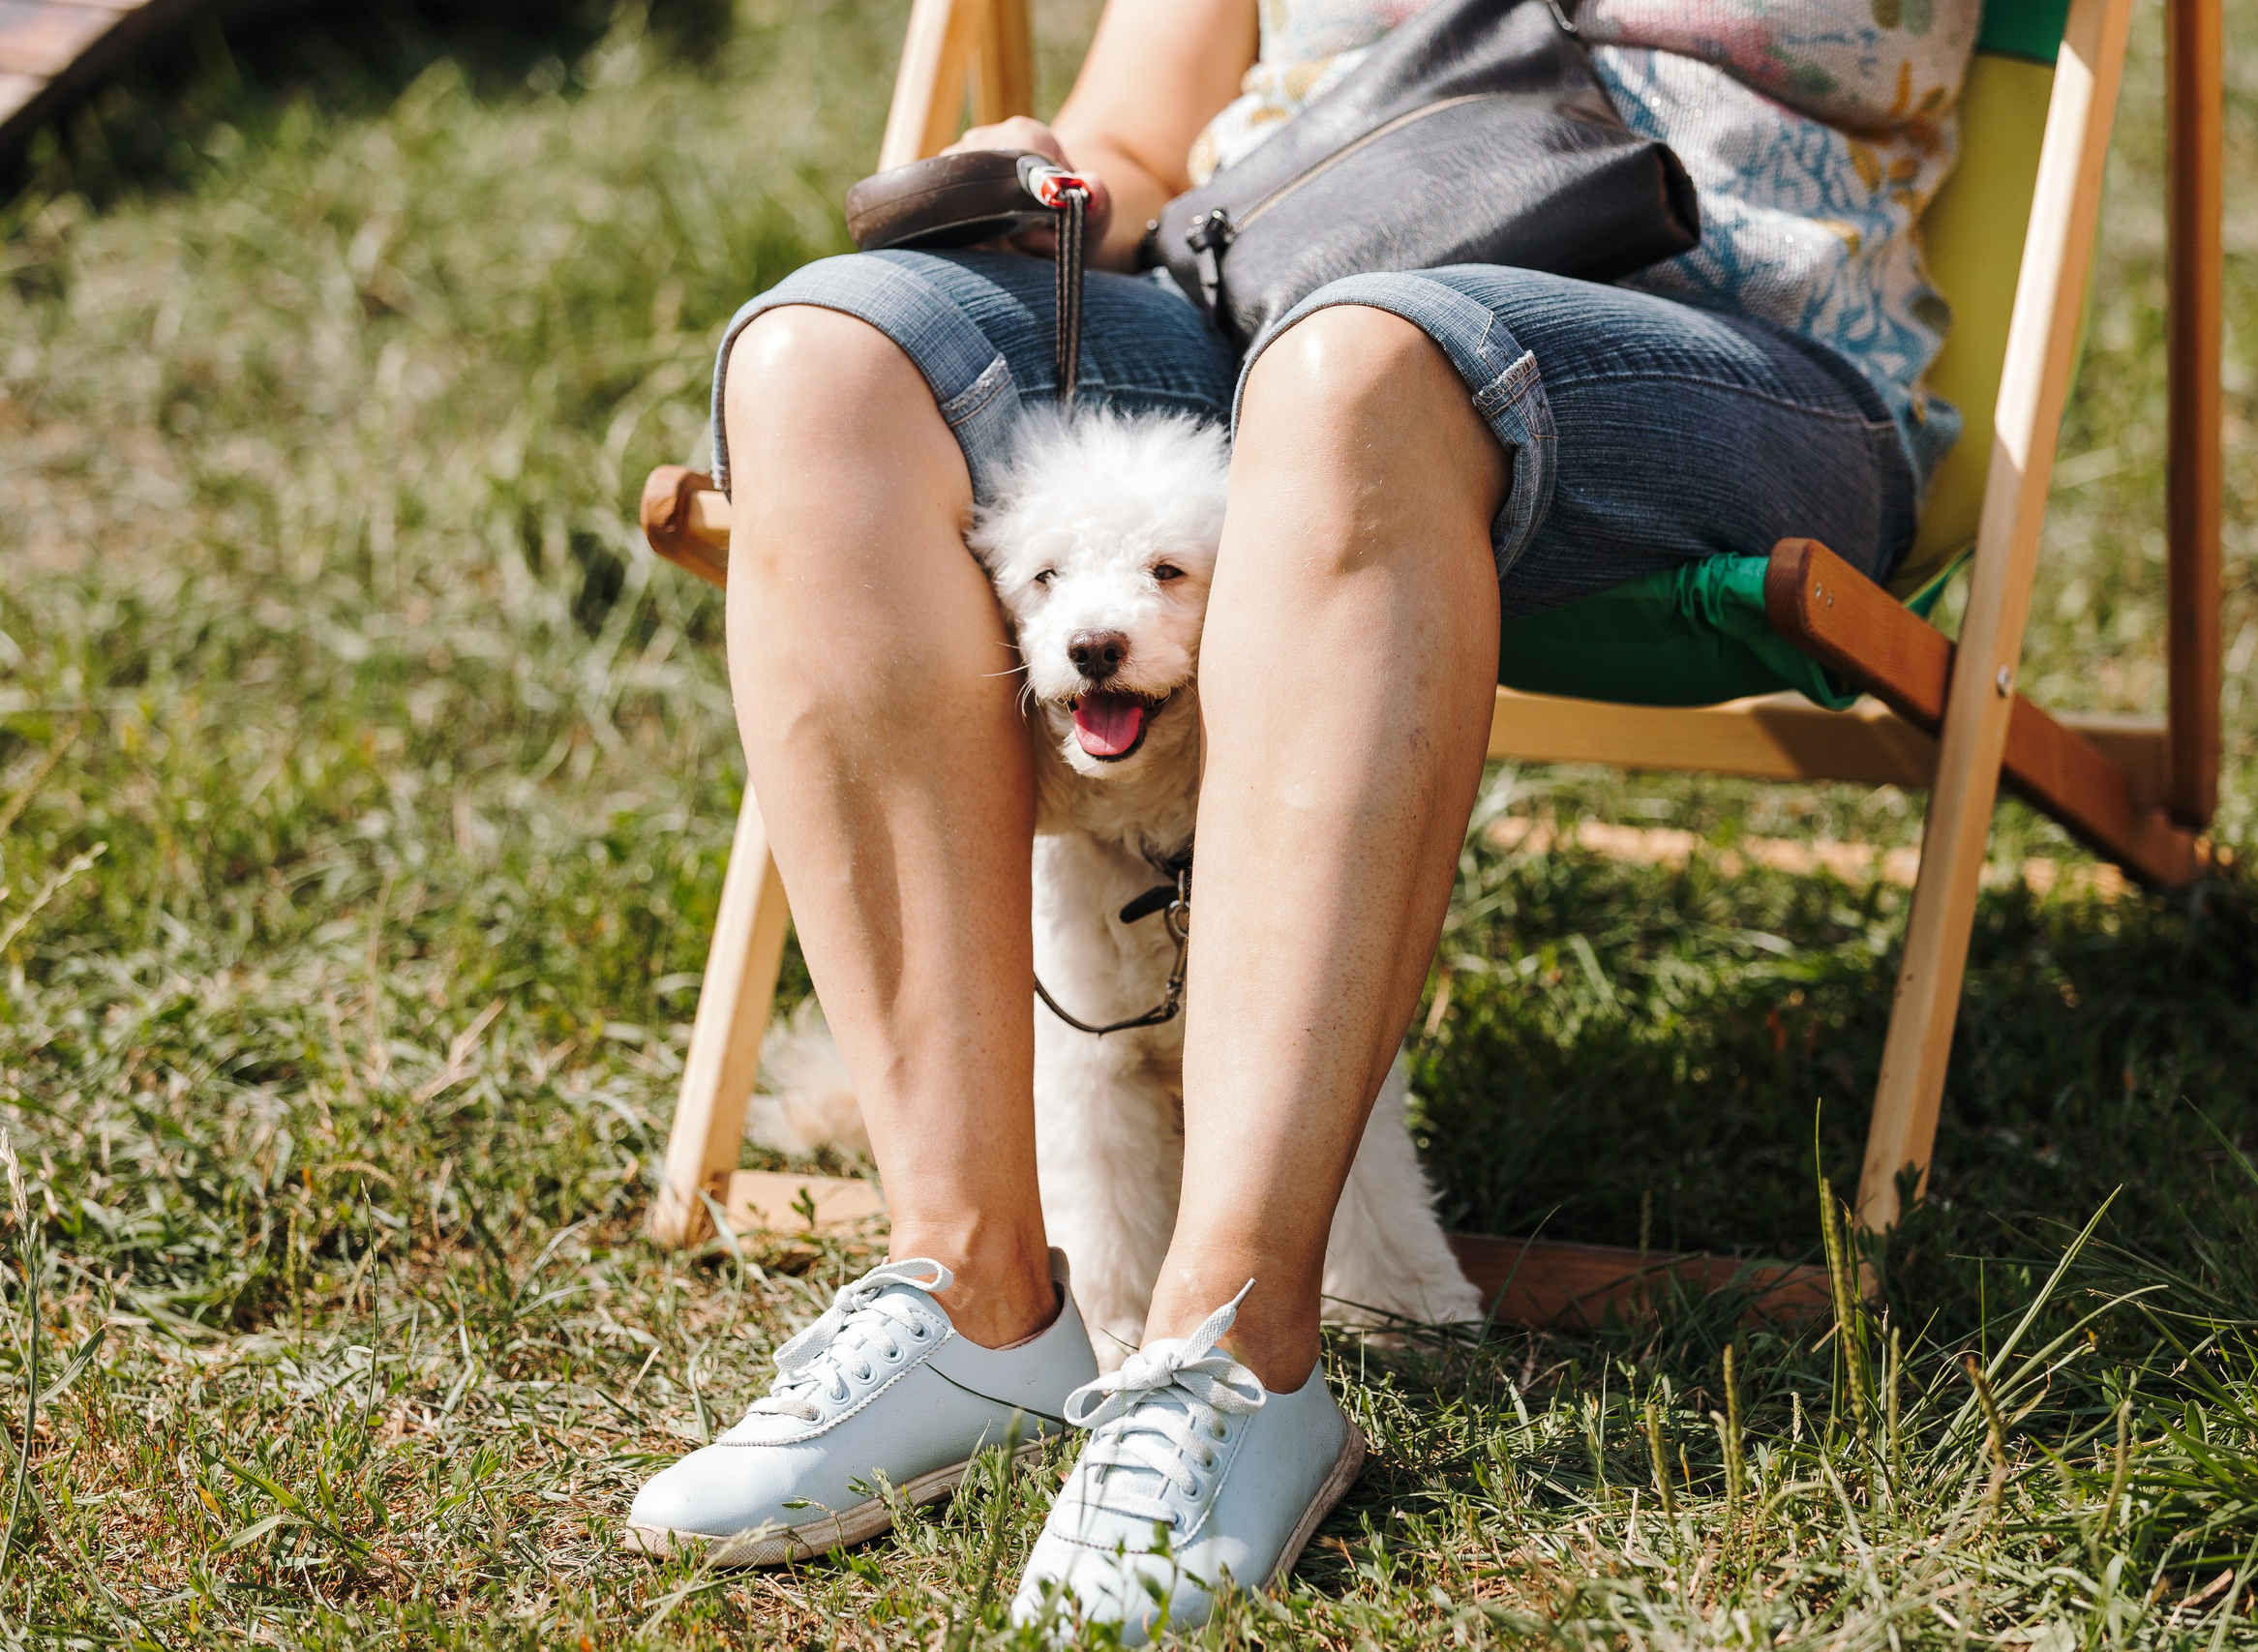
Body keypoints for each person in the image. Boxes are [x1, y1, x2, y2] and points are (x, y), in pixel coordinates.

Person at [627, 0, 1978, 1633]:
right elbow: (1138, 132)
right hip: (1256, 291)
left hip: (1718, 338)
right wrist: (1043, 172)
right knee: (822, 363)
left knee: (1358, 371)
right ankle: (973, 1292)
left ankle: (1231, 1356)